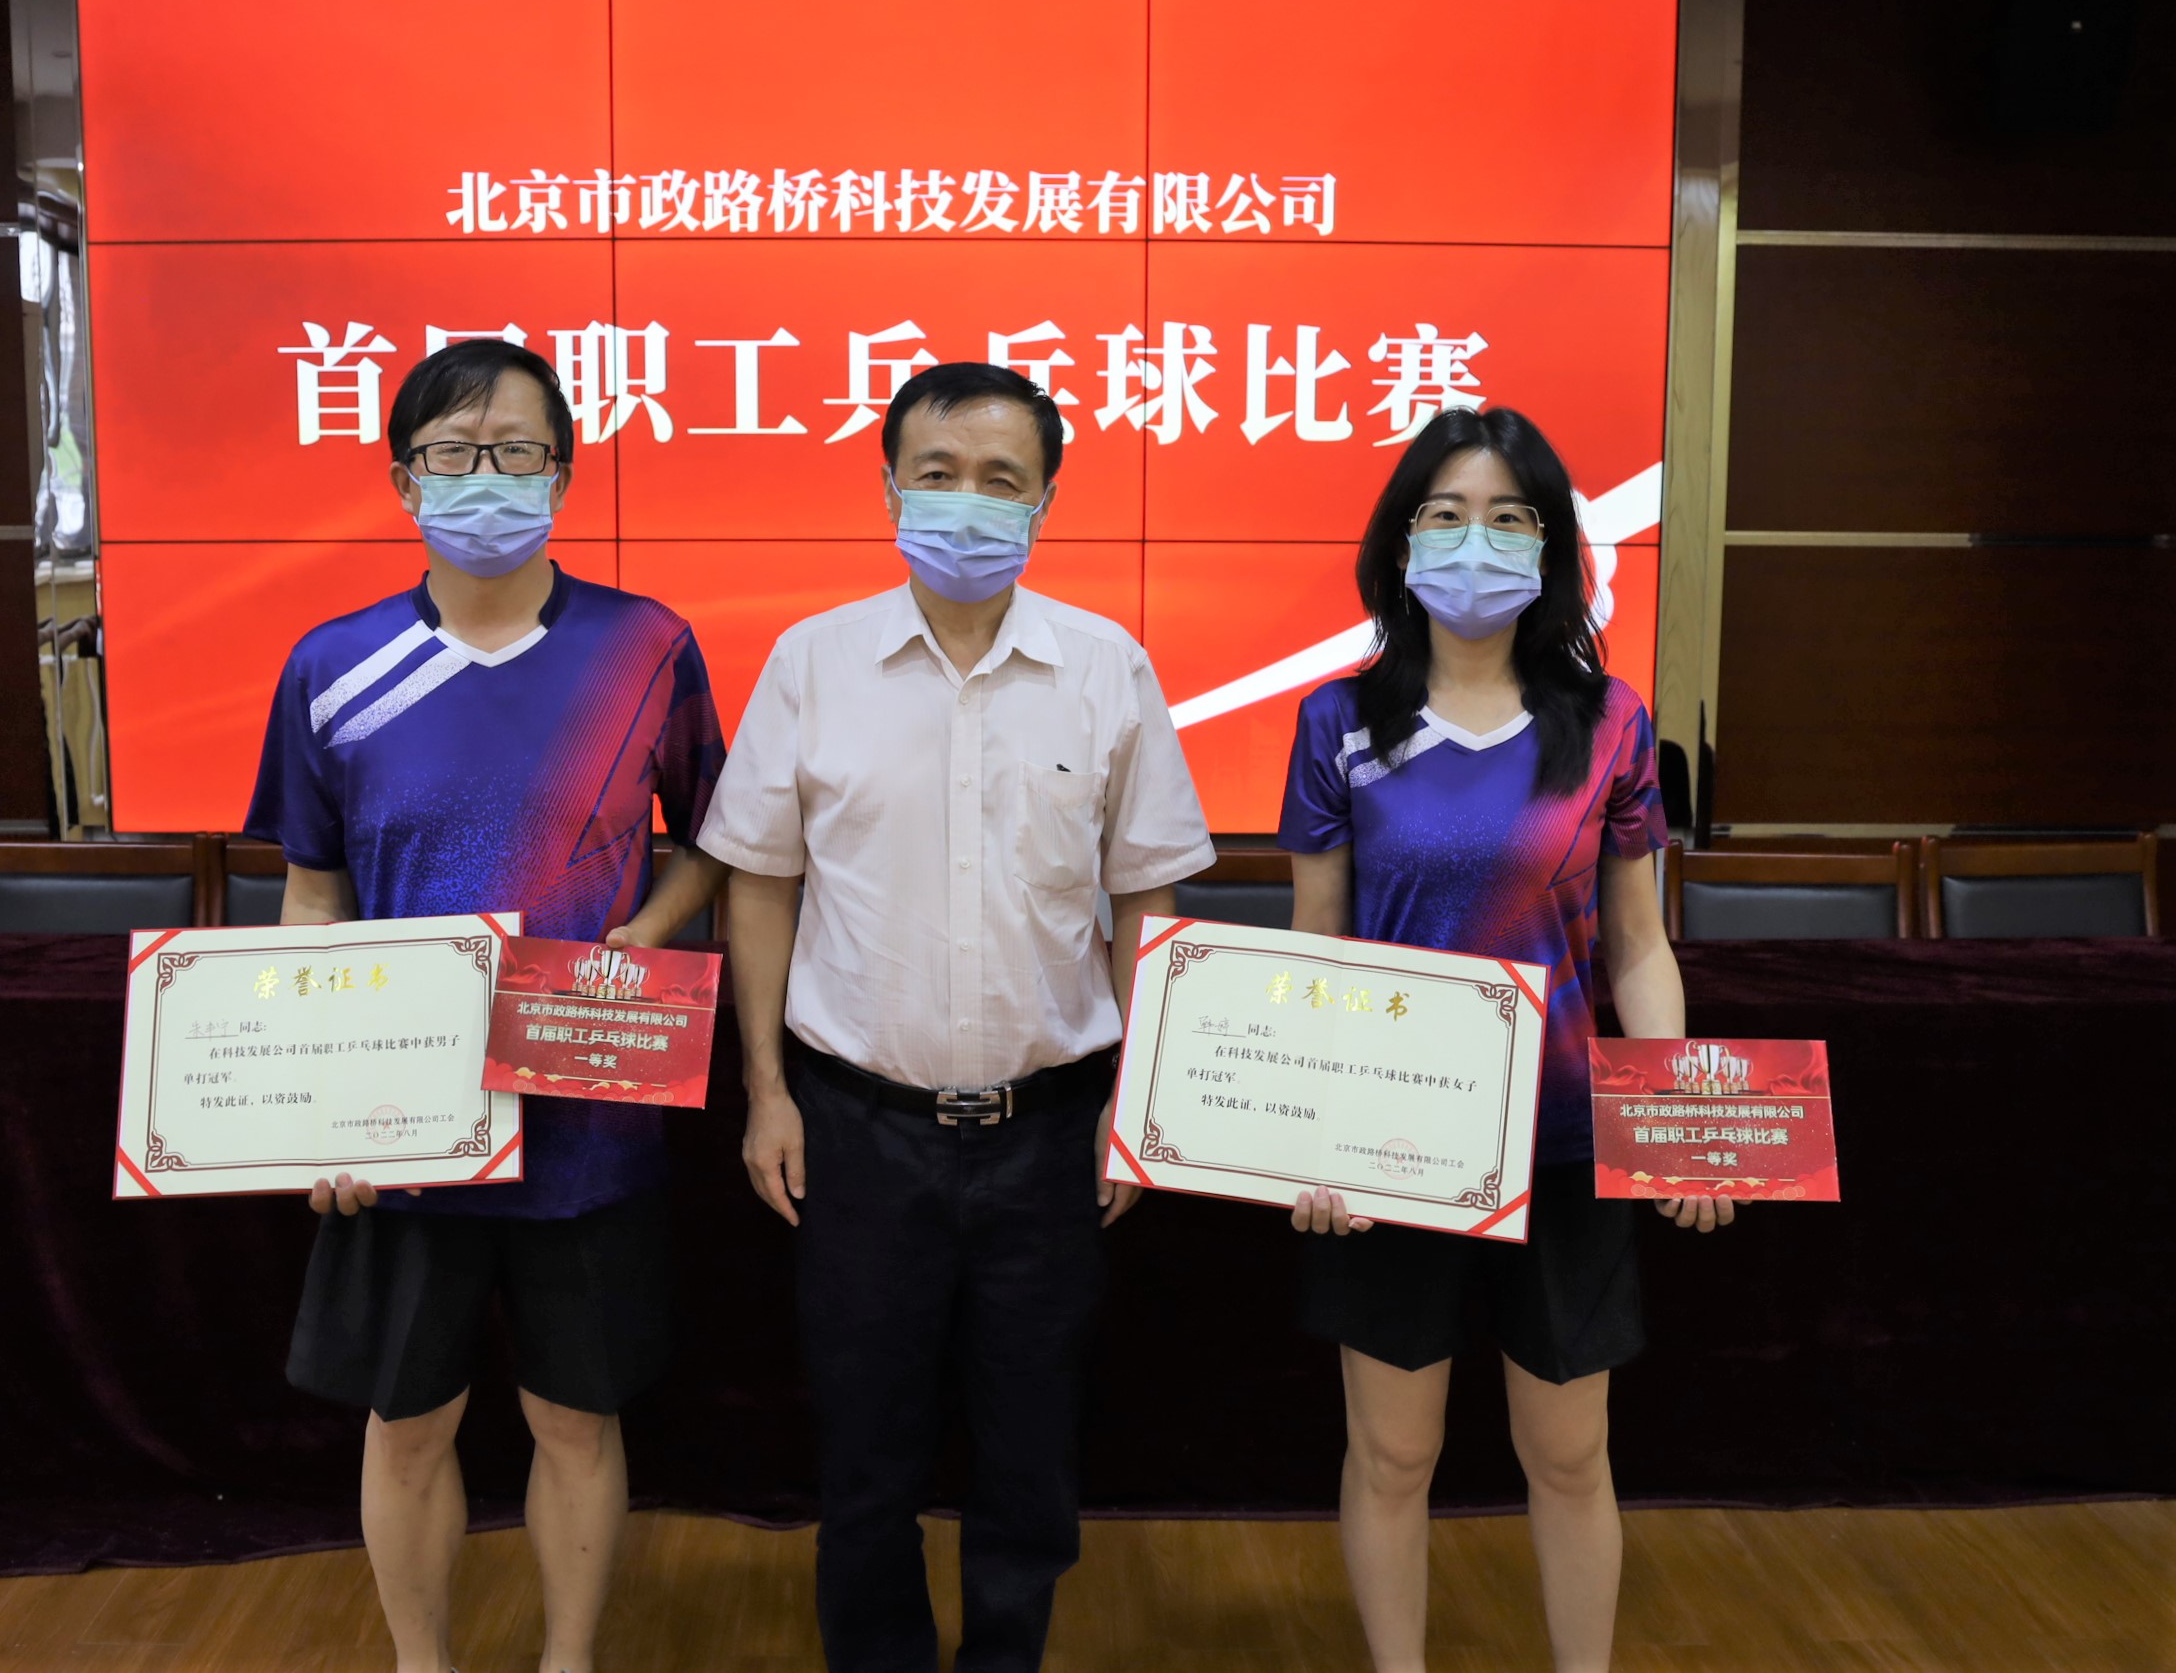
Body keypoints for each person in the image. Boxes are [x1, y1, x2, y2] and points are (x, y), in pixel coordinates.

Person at [698, 362, 1217, 1673]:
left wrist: (1136, 1107)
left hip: (1050, 1131)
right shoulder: (812, 661)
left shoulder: (1106, 667)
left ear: (1045, 500)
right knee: (864, 1447)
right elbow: (759, 884)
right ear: (889, 489)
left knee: (1030, 1447)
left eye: (1000, 479)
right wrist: (765, 1092)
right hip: (855, 1128)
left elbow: (1145, 898)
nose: (966, 502)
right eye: (937, 474)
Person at [243, 337, 730, 1673]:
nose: (487, 476)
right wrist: (323, 1109)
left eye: (517, 451)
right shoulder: (332, 665)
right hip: (408, 1121)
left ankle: (570, 1658)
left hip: (587, 1104)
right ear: (404, 479)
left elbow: (714, 839)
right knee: (406, 1422)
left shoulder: (647, 645)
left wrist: (644, 935)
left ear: (563, 475)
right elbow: (311, 896)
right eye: (454, 452)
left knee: (577, 1416)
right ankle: (423, 1661)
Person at [1278, 405, 1732, 1673]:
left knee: (1569, 1454)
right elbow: (1317, 947)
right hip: (1388, 1146)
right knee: (1392, 1453)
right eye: (1444, 514)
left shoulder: (1609, 721)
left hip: (1565, 1137)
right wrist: (1309, 1138)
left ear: (1547, 546)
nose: (1472, 541)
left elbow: (1636, 947)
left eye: (1506, 517)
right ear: (1400, 540)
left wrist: (1676, 1122)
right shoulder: (1336, 722)